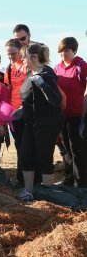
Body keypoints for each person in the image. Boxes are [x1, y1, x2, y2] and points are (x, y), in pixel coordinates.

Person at [17, 43, 64, 201]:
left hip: (47, 124)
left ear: (35, 57)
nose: (22, 59)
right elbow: (28, 96)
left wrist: (43, 84)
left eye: (24, 57)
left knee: (44, 159)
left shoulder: (47, 74)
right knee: (25, 157)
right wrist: (20, 111)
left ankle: (48, 195)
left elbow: (56, 101)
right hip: (31, 123)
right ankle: (28, 191)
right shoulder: (31, 73)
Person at [54, 37, 87, 188]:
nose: (63, 54)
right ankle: (69, 178)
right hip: (62, 115)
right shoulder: (57, 68)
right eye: (61, 51)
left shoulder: (81, 65)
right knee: (67, 149)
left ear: (74, 50)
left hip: (78, 115)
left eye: (66, 51)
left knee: (77, 149)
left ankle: (81, 183)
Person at [4, 38, 28, 185]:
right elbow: (8, 89)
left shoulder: (27, 65)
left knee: (28, 145)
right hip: (14, 113)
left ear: (20, 50)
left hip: (26, 111)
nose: (11, 57)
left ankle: (30, 178)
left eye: (13, 53)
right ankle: (20, 178)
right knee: (19, 145)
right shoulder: (9, 67)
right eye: (8, 54)